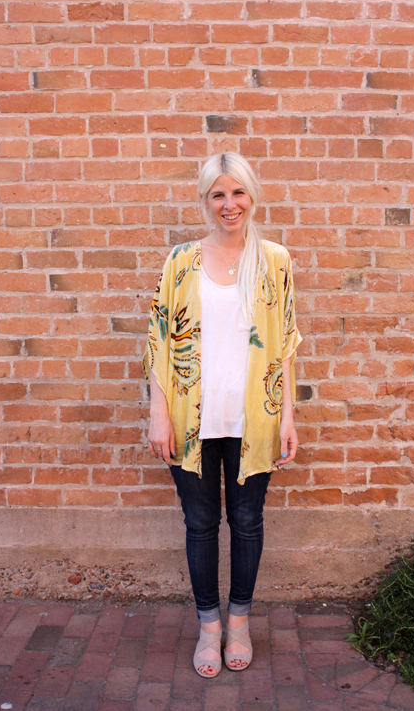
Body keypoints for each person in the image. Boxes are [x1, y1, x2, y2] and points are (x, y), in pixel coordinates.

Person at [143, 152, 301, 677]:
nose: (229, 204)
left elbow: (286, 345)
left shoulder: (275, 261)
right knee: (200, 524)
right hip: (191, 420)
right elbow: (159, 341)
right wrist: (158, 413)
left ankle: (239, 623)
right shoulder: (181, 261)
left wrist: (288, 417)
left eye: (237, 192)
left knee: (248, 522)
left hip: (254, 418)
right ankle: (209, 628)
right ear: (205, 200)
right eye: (218, 194)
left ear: (252, 196)